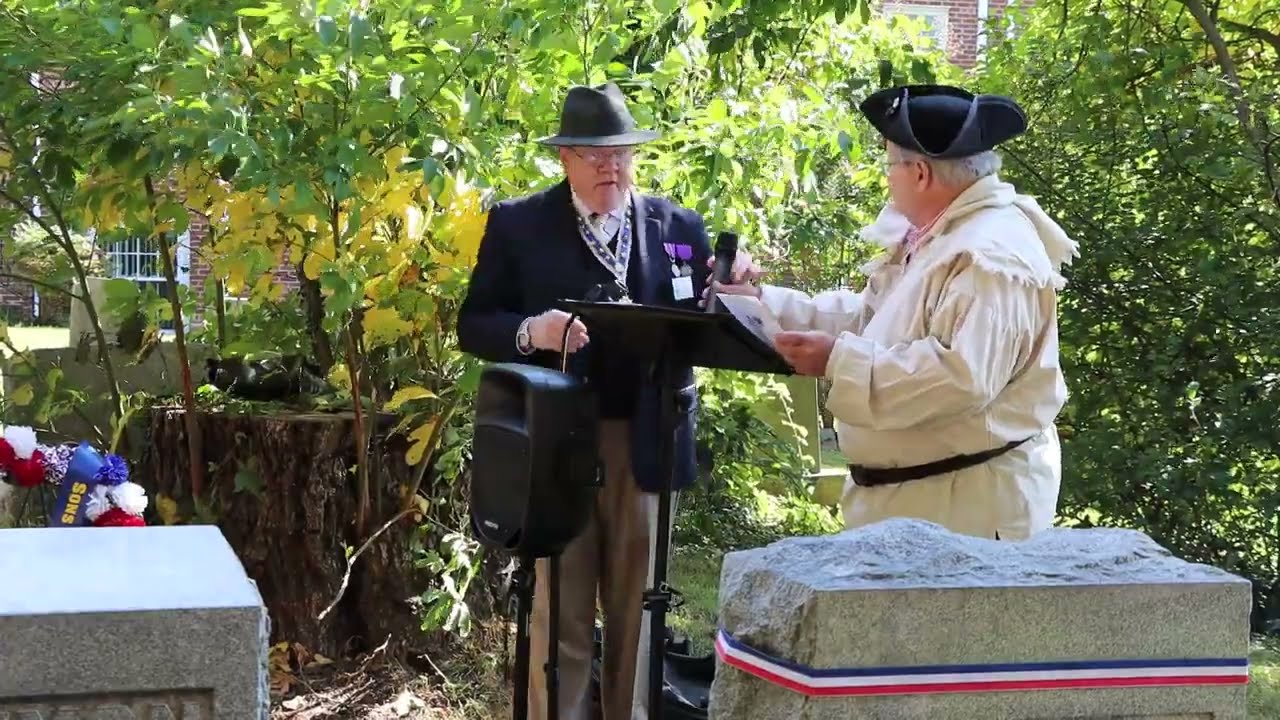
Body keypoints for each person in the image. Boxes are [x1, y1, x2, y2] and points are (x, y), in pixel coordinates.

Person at [710, 84, 1079, 541]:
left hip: (966, 510)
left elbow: (962, 378)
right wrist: (763, 302)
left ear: (920, 172)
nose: (888, 177)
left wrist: (837, 361)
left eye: (889, 164)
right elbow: (876, 320)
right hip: (924, 504)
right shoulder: (942, 234)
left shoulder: (991, 253)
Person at [457, 83, 711, 720]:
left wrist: (731, 295)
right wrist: (531, 333)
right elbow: (474, 323)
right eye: (597, 156)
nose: (613, 169)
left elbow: (703, 322)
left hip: (646, 441)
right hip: (558, 441)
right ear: (565, 157)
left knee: (638, 609)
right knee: (563, 611)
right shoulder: (519, 225)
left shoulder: (677, 226)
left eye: (623, 155)